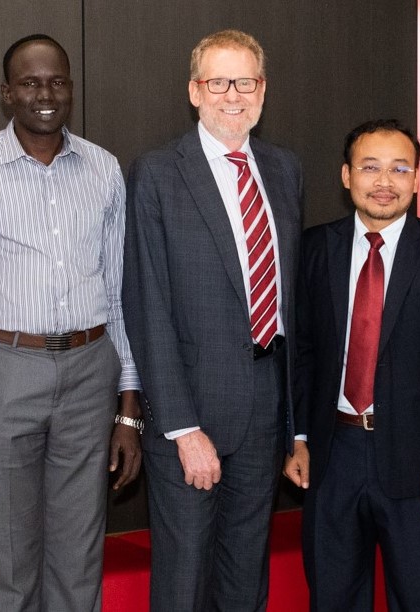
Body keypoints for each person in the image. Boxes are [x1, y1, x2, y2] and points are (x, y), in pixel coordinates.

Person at [0, 34, 143, 611]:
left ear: (71, 88)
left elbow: (119, 293)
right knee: (11, 556)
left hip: (89, 371)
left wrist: (129, 407)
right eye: (30, 82)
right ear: (7, 93)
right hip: (1, 372)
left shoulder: (103, 168)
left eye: (56, 81)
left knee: (81, 556)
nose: (45, 93)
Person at [122, 29, 302, 611]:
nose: (233, 95)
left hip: (265, 407)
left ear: (263, 90)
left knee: (246, 573)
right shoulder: (156, 173)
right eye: (219, 82)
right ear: (195, 91)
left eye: (245, 82)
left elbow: (290, 303)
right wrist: (179, 426)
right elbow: (147, 305)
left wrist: (294, 425)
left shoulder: (284, 170)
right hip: (192, 415)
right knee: (183, 579)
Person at [283, 119, 420, 611]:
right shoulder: (314, 248)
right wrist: (299, 437)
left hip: (417, 465)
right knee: (332, 596)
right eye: (370, 168)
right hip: (333, 455)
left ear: (416, 179)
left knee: (417, 597)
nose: (384, 182)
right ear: (347, 175)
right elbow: (302, 355)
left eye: (399, 169)